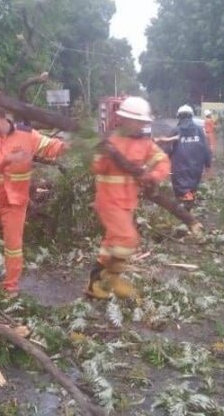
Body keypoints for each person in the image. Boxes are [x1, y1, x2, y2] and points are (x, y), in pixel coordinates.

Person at [0, 100, 66, 297]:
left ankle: (10, 286)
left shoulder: (27, 135)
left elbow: (50, 147)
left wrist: (70, 146)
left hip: (16, 201)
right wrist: (7, 159)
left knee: (13, 244)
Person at [87, 96, 171, 300]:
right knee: (128, 239)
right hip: (109, 201)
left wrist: (152, 176)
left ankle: (97, 283)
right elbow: (95, 167)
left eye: (143, 122)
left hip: (128, 202)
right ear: (124, 120)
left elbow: (163, 162)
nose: (142, 125)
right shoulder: (110, 142)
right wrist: (104, 155)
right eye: (138, 121)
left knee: (111, 242)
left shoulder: (145, 144)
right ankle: (111, 277)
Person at [156, 105, 212, 210]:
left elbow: (167, 149)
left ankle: (184, 207)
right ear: (191, 116)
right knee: (192, 186)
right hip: (196, 167)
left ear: (179, 117)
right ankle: (188, 203)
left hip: (179, 167)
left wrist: (163, 162)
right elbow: (206, 149)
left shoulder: (176, 130)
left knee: (180, 189)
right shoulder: (200, 131)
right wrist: (207, 165)